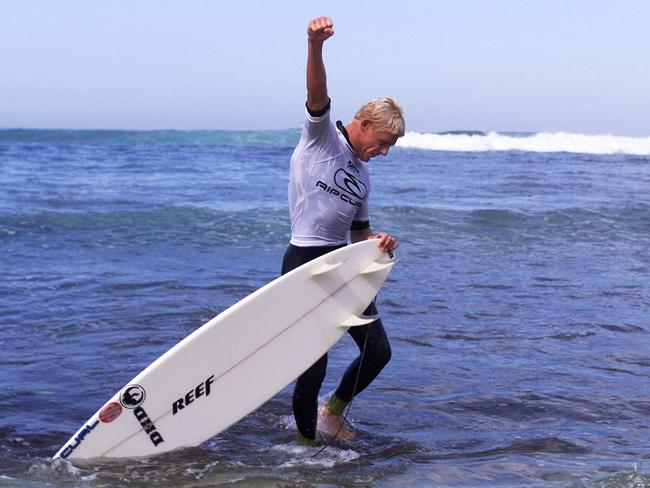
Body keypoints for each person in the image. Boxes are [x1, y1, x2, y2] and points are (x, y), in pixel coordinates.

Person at [282, 16, 405, 446]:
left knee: (378, 351)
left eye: (391, 146)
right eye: (383, 141)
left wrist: (378, 243)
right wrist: (314, 45)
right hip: (305, 263)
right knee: (312, 365)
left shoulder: (364, 177)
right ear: (364, 123)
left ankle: (331, 414)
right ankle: (305, 448)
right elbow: (317, 94)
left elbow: (360, 234)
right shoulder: (320, 139)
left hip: (344, 266)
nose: (384, 152)